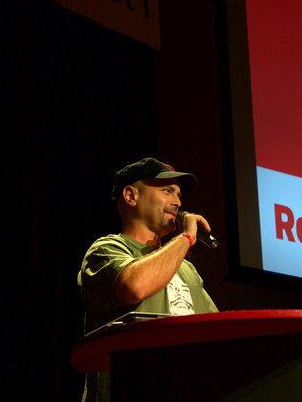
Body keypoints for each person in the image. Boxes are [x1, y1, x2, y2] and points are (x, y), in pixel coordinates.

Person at [78, 157, 218, 402]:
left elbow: (217, 332)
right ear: (131, 196)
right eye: (167, 191)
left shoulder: (186, 268)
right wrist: (185, 237)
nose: (177, 202)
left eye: (178, 195)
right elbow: (133, 286)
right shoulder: (107, 249)